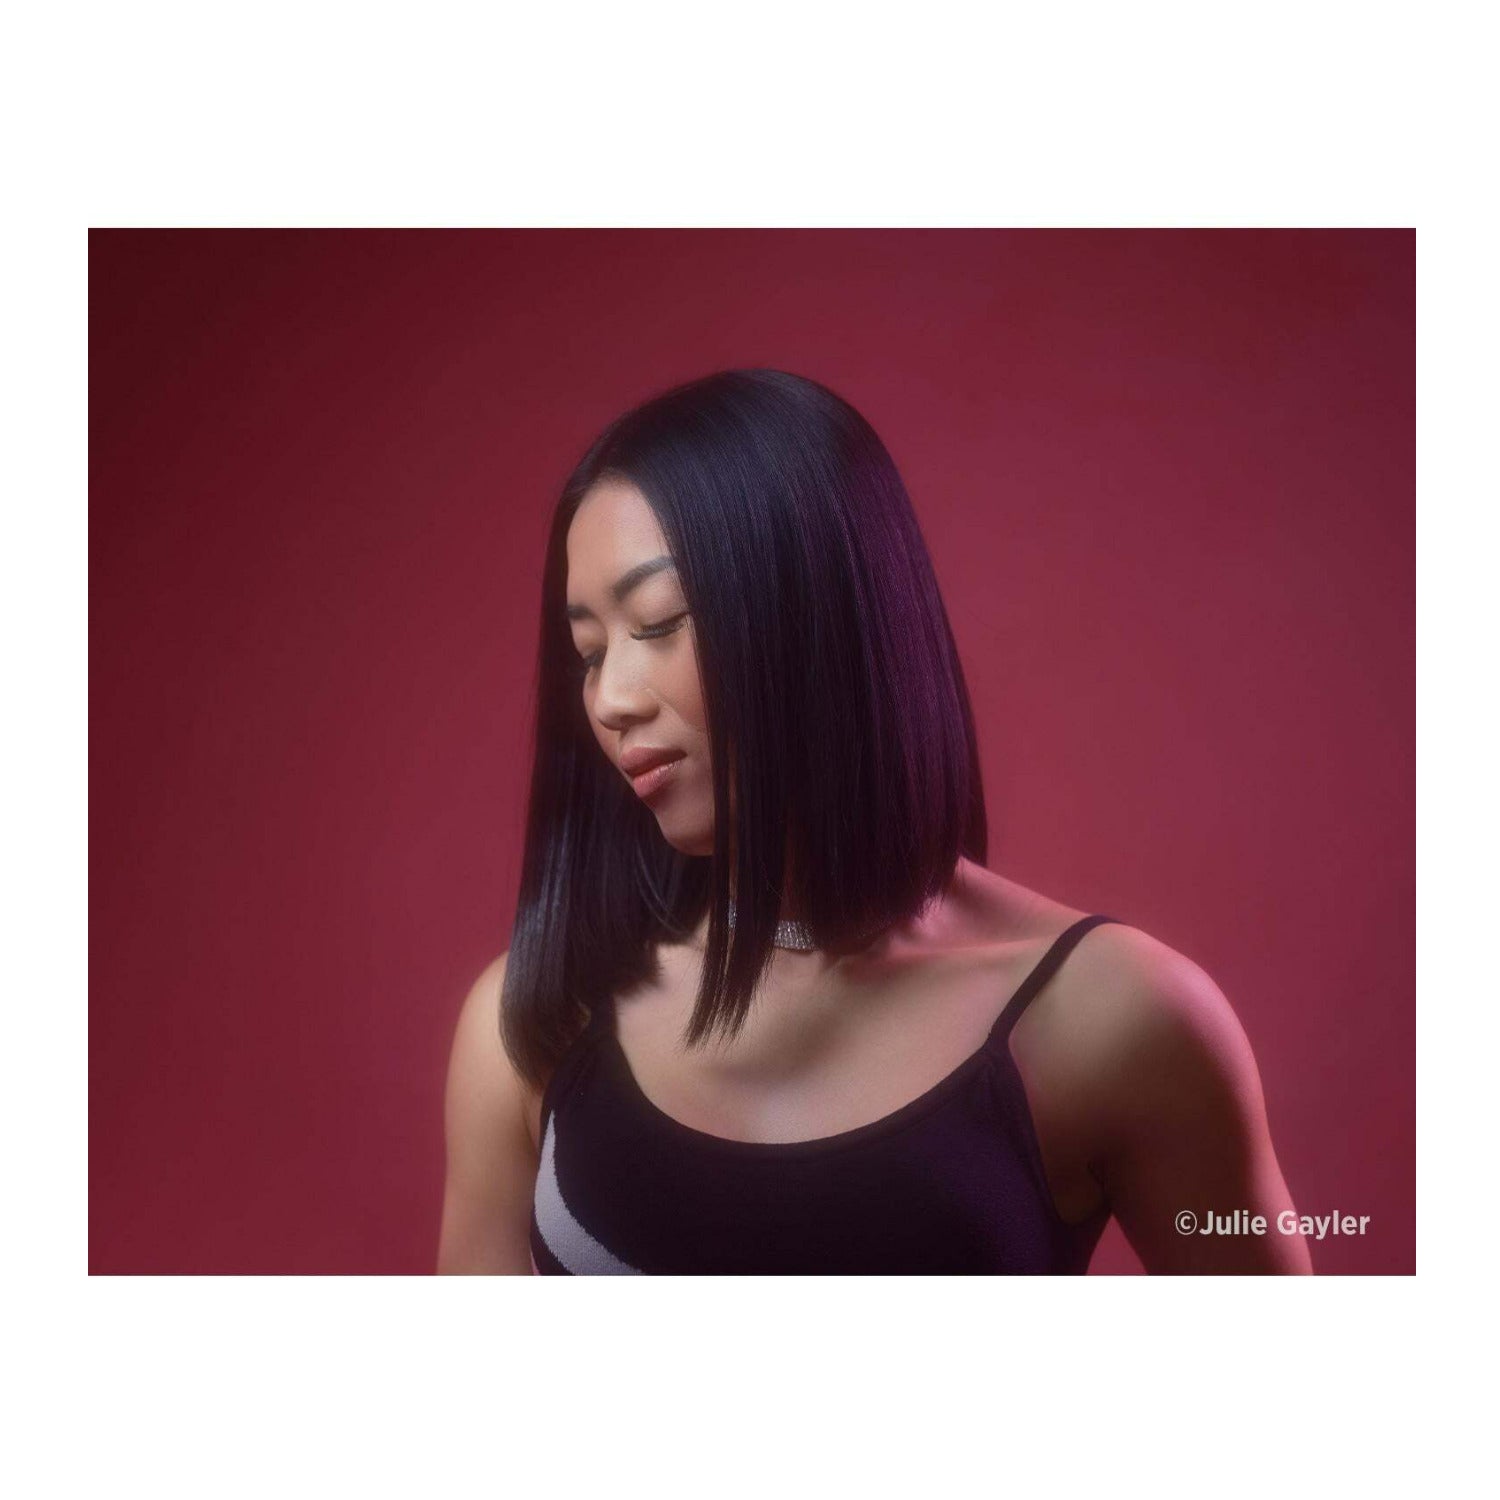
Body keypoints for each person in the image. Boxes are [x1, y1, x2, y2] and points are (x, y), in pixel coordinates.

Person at [437, 368, 1312, 1275]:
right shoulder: (536, 1020)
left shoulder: (1116, 1019)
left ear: (816, 612)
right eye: (587, 652)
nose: (609, 699)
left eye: (656, 623)